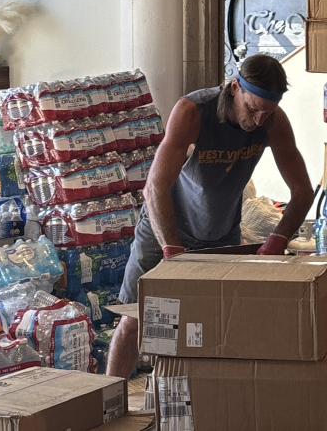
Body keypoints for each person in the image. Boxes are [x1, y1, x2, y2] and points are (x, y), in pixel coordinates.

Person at [106, 53, 315, 378]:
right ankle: (111, 401)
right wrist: (171, 251)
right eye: (253, 108)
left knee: (212, 326)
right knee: (136, 318)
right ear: (235, 88)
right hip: (165, 228)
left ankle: (205, 406)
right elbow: (154, 188)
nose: (258, 120)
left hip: (220, 234)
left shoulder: (273, 122)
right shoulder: (193, 112)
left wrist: (278, 238)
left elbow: (303, 191)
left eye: (267, 111)